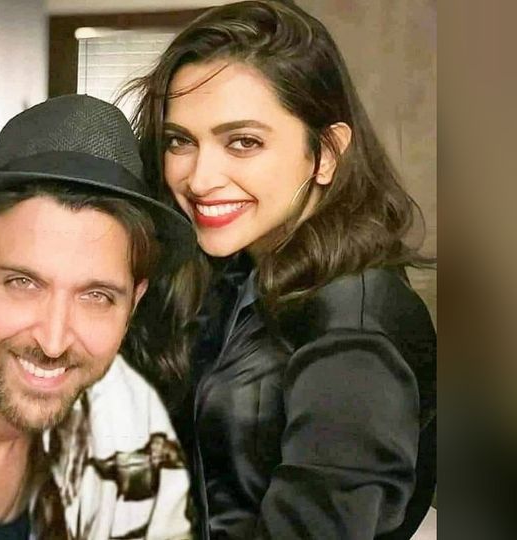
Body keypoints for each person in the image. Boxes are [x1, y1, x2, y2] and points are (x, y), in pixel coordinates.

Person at [123, 1, 437, 538]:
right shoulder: (234, 271)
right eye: (180, 141)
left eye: (243, 142)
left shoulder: (355, 329)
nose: (199, 178)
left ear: (327, 153)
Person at [0, 94, 196, 540]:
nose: (53, 341)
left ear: (133, 304)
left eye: (97, 296)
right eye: (23, 283)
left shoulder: (134, 428)